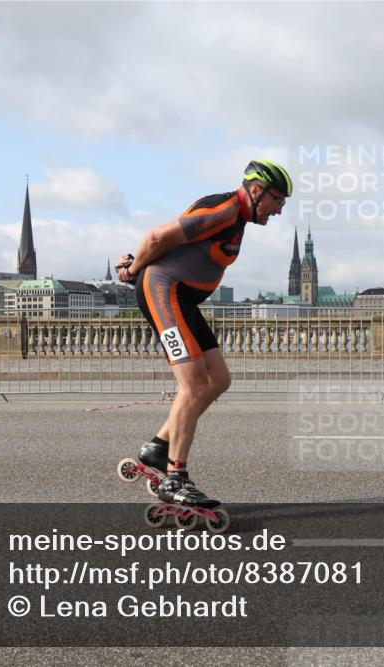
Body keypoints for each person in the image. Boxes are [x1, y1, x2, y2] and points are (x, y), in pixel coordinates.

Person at [116, 160, 291, 507]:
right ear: (256, 192)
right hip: (164, 292)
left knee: (219, 379)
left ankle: (158, 447)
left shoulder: (238, 219)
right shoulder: (225, 211)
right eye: (277, 201)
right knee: (194, 384)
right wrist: (134, 270)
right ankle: (175, 477)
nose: (279, 211)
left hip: (182, 298)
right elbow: (157, 237)